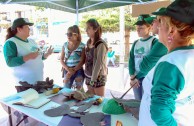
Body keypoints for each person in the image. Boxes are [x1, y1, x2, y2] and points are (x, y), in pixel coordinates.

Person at [139, 0, 194, 125]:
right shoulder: (188, 56)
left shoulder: (171, 63)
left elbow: (159, 111)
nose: (158, 27)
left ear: (171, 31)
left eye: (161, 23)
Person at [3, 18, 53, 93]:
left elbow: (39, 57)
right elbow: (10, 62)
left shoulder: (31, 41)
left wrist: (47, 54)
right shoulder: (11, 42)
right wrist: (29, 56)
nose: (29, 29)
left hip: (38, 81)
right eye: (27, 27)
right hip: (24, 84)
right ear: (19, 29)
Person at [85, 18, 108, 97]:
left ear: (95, 29)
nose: (86, 30)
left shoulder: (101, 44)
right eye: (86, 28)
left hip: (98, 77)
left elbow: (99, 63)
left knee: (99, 101)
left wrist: (93, 80)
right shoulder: (88, 42)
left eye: (88, 28)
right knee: (90, 101)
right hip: (88, 75)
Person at [60, 25, 85, 89]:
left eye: (70, 34)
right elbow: (61, 59)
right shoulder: (65, 45)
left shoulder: (82, 46)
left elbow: (82, 61)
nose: (68, 36)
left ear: (76, 35)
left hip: (78, 70)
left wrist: (73, 70)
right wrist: (68, 70)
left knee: (78, 92)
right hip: (67, 70)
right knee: (66, 90)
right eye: (67, 34)